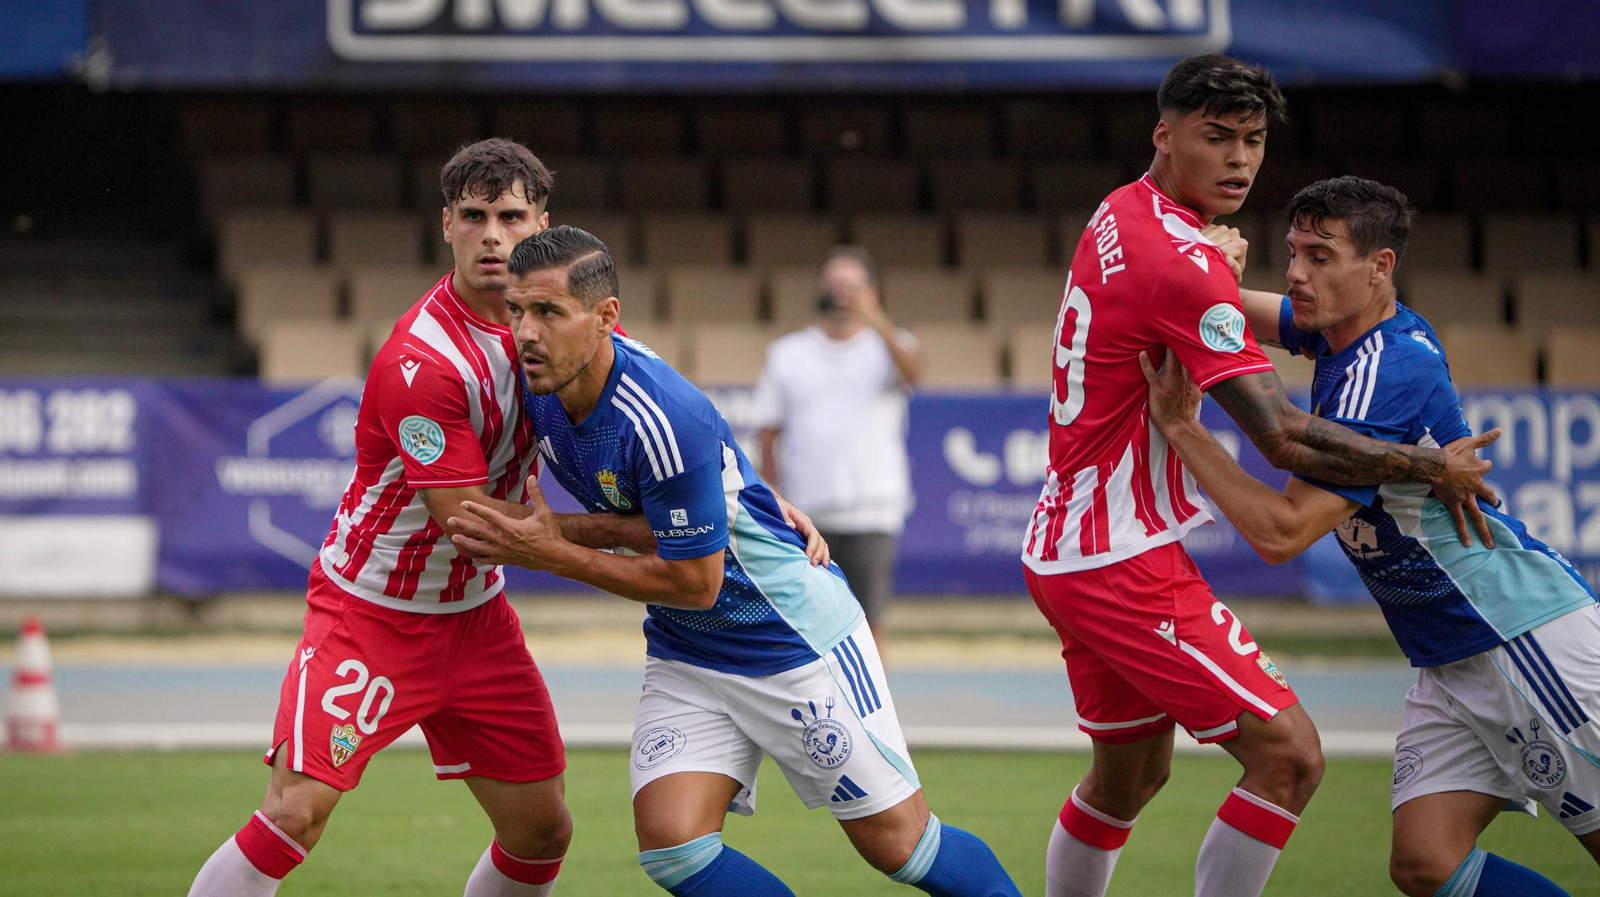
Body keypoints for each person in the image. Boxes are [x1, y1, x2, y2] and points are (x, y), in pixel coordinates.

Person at [1021, 54, 1499, 897]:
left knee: (1127, 782)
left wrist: (1222, 277)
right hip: (1119, 557)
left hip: (1069, 540)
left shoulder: (1122, 210)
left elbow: (1216, 307)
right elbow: (1280, 433)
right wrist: (1424, 462)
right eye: (1218, 138)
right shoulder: (1186, 261)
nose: (1241, 160)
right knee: (1290, 756)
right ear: (1165, 136)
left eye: (1253, 140)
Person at [447, 225, 1023, 897]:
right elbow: (688, 504)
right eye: (517, 310)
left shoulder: (661, 414)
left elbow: (696, 581)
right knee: (674, 845)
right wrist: (749, 491)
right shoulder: (535, 381)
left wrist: (554, 551)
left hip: (788, 638)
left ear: (606, 318)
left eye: (548, 312)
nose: (525, 331)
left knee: (903, 847)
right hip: (688, 648)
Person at [185, 138, 650, 897]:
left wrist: (755, 497)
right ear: (446, 225)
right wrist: (622, 534)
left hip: (475, 619)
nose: (493, 234)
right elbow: (466, 521)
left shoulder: (565, 323)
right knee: (296, 811)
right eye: (474, 216)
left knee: (543, 829)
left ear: (541, 222)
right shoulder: (422, 360)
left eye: (510, 215)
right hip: (372, 613)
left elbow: (666, 408)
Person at [1140, 175, 1598, 897]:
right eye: (1292, 252)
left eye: (1320, 256)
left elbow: (1283, 530)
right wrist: (1202, 271)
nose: (1295, 273)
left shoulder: (1387, 365)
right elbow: (1230, 311)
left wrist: (1184, 430)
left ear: (1380, 267)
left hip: (1521, 639)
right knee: (1426, 862)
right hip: (1450, 658)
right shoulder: (1338, 330)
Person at [754, 245, 920, 636]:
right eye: (834, 284)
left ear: (872, 291)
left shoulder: (890, 346)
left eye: (852, 286)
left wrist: (876, 320)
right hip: (808, 512)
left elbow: (915, 373)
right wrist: (775, 494)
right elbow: (767, 430)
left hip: (872, 509)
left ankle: (873, 699)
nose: (841, 294)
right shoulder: (788, 352)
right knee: (804, 624)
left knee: (868, 623)